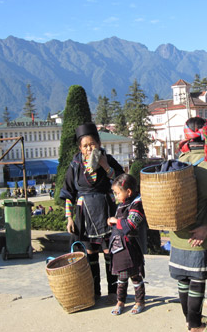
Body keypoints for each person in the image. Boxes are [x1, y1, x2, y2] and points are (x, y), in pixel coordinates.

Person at [170, 117, 207, 332]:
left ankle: (190, 319)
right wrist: (206, 225)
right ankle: (195, 325)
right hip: (201, 231)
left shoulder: (178, 160)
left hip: (178, 232)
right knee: (196, 280)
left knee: (183, 279)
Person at [59, 122, 125, 300]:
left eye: (92, 144)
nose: (89, 148)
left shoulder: (108, 160)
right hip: (84, 215)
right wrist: (69, 218)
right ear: (80, 148)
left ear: (99, 143)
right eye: (85, 146)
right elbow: (68, 193)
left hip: (106, 212)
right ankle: (94, 291)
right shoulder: (75, 166)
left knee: (109, 252)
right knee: (90, 254)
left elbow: (121, 182)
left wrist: (105, 166)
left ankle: (114, 292)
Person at [107, 174, 146, 316]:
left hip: (131, 246)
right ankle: (120, 301)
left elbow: (130, 225)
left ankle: (140, 301)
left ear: (128, 192)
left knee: (135, 275)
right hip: (119, 247)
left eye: (118, 193)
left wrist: (114, 221)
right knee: (121, 277)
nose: (116, 196)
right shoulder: (122, 204)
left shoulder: (137, 204)